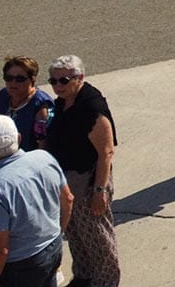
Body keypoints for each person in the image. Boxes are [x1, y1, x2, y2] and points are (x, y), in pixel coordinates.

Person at [43, 55, 120, 287]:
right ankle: (84, 277)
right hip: (68, 182)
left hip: (89, 182)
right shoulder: (63, 101)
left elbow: (105, 153)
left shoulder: (91, 107)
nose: (58, 86)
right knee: (75, 233)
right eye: (53, 81)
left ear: (80, 78)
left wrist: (100, 191)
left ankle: (105, 282)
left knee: (98, 239)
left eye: (64, 80)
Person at [0, 114, 73, 287]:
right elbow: (68, 199)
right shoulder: (44, 158)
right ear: (18, 138)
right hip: (53, 247)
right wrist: (56, 235)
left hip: (21, 267)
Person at [0, 56, 54, 152]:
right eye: (8, 78)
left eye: (20, 79)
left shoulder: (40, 105)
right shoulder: (2, 96)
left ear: (32, 79)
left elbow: (42, 146)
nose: (13, 83)